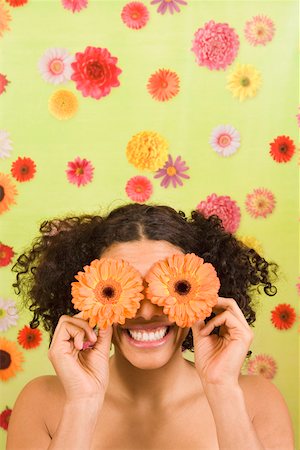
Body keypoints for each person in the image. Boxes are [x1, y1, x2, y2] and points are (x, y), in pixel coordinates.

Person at [6, 203, 294, 450]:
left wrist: (222, 390)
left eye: (169, 288)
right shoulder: (41, 402)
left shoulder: (257, 400)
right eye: (121, 290)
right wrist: (83, 403)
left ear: (204, 293)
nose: (145, 312)